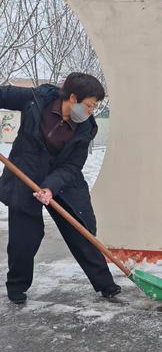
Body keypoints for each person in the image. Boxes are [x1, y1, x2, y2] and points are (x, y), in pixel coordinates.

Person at [0, 72, 121, 304]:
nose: (90, 111)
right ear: (73, 98)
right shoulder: (36, 99)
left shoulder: (85, 128)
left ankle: (106, 285)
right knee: (24, 239)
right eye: (89, 105)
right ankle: (17, 287)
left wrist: (50, 187)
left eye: (94, 107)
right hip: (25, 174)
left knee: (81, 231)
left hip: (65, 181)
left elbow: (72, 166)